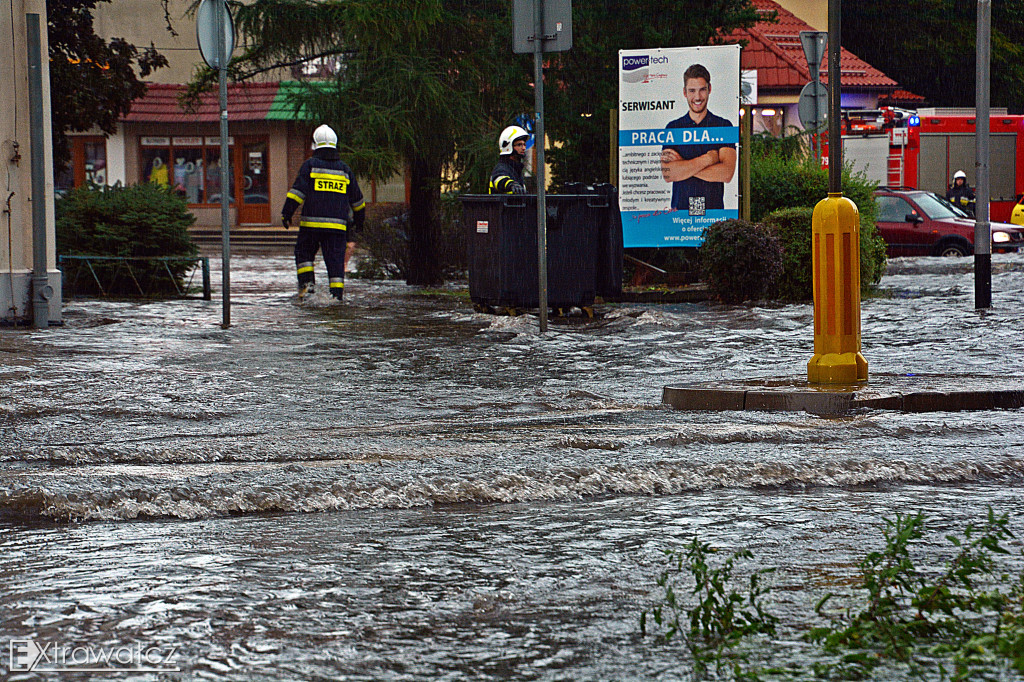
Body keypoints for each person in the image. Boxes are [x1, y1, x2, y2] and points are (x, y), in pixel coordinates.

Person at [281, 124, 365, 301]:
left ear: (315, 144)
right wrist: (359, 222)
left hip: (311, 226)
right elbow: (357, 200)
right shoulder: (345, 170)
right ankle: (336, 297)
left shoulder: (310, 165)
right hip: (337, 228)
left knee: (304, 254)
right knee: (335, 262)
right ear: (335, 144)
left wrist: (286, 213)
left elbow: (297, 193)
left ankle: (307, 290)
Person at [659, 63, 737, 215]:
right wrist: (708, 159)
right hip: (680, 216)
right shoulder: (673, 128)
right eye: (692, 91)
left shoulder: (723, 126)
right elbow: (668, 174)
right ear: (684, 92)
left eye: (702, 90)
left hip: (713, 216)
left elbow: (727, 173)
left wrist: (683, 168)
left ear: (710, 89)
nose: (697, 97)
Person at [489, 126, 529, 194]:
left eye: (524, 144)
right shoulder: (501, 168)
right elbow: (499, 180)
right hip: (500, 205)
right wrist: (511, 184)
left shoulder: (516, 169)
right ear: (508, 146)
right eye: (519, 145)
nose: (523, 148)